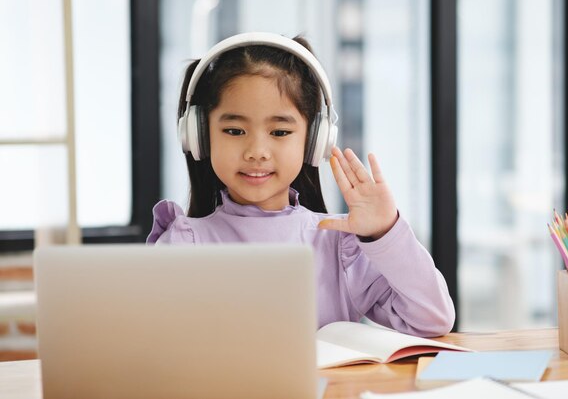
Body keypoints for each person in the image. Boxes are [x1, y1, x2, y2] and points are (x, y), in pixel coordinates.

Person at [148, 33, 455, 337]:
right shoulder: (183, 245)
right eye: (234, 130)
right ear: (200, 136)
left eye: (280, 132)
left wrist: (385, 232)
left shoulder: (338, 246)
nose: (257, 151)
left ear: (314, 141)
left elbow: (431, 319)